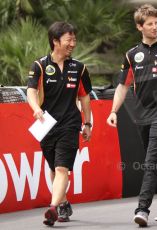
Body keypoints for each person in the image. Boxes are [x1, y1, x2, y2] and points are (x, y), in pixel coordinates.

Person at [106, 4, 157, 227]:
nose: (154, 27)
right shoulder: (131, 54)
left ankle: (142, 209)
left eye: (156, 23)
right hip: (141, 114)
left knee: (151, 161)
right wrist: (113, 111)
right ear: (140, 26)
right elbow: (123, 87)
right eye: (150, 24)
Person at [27, 21, 92, 226]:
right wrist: (36, 109)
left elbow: (84, 98)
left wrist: (87, 123)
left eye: (74, 39)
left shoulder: (79, 68)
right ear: (55, 41)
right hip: (46, 125)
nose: (73, 43)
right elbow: (31, 91)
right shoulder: (39, 66)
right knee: (54, 168)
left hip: (70, 124)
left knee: (63, 169)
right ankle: (63, 202)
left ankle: (53, 208)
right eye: (68, 39)